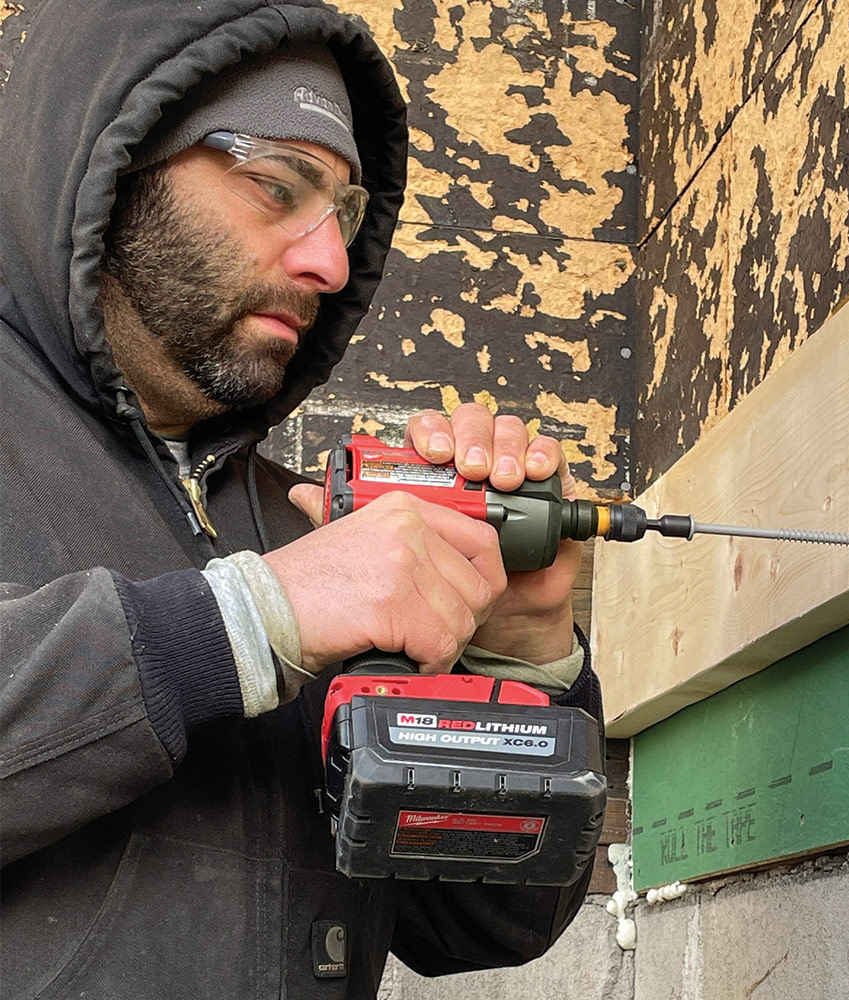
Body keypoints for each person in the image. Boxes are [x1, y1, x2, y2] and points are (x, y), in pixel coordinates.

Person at [0, 2, 600, 997]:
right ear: (107, 169)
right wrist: (246, 620)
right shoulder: (299, 576)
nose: (326, 263)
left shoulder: (304, 524)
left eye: (346, 216)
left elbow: (480, 918)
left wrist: (518, 655)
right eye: (278, 187)